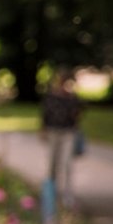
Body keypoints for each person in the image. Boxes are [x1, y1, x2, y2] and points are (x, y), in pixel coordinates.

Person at [39, 68, 85, 209]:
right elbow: (45, 114)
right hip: (53, 131)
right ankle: (51, 193)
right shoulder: (51, 97)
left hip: (68, 132)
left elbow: (79, 115)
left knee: (67, 163)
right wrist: (43, 130)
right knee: (53, 163)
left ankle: (67, 193)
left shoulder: (73, 98)